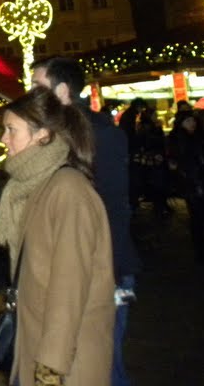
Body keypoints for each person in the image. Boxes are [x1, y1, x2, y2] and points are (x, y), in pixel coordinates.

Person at [0, 87, 115, 386]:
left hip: (64, 361)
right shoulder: (37, 185)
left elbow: (69, 286)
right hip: (35, 341)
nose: (3, 138)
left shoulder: (67, 190)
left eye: (11, 130)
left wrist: (51, 367)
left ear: (42, 135)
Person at [32, 57, 139, 386]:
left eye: (38, 87)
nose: (30, 93)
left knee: (103, 365)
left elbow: (114, 209)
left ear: (63, 91)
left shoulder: (102, 134)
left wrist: (112, 273)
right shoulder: (49, 136)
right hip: (67, 268)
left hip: (101, 269)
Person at [174, 110, 204, 263]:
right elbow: (184, 164)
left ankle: (201, 251)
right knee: (197, 219)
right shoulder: (180, 139)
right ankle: (200, 252)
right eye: (188, 121)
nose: (192, 123)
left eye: (193, 120)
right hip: (193, 185)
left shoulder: (199, 136)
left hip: (202, 182)